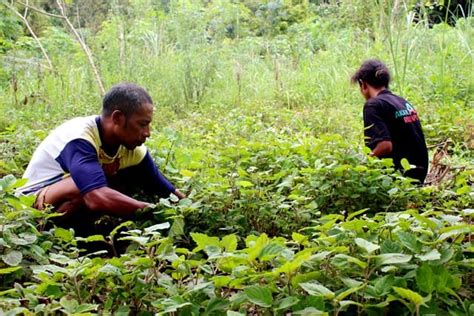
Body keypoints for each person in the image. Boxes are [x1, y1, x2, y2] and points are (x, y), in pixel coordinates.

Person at [17, 83, 185, 221]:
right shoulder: (80, 138)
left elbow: (163, 188)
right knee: (83, 187)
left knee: (125, 178)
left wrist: (188, 208)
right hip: (31, 202)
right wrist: (152, 211)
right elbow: (95, 197)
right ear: (117, 118)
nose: (148, 132)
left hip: (68, 197)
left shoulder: (133, 149)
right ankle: (54, 237)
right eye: (142, 124)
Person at [351, 59, 429, 183]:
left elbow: (385, 146)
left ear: (363, 84)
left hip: (399, 178)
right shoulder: (402, 102)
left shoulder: (373, 105)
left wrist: (364, 165)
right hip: (419, 173)